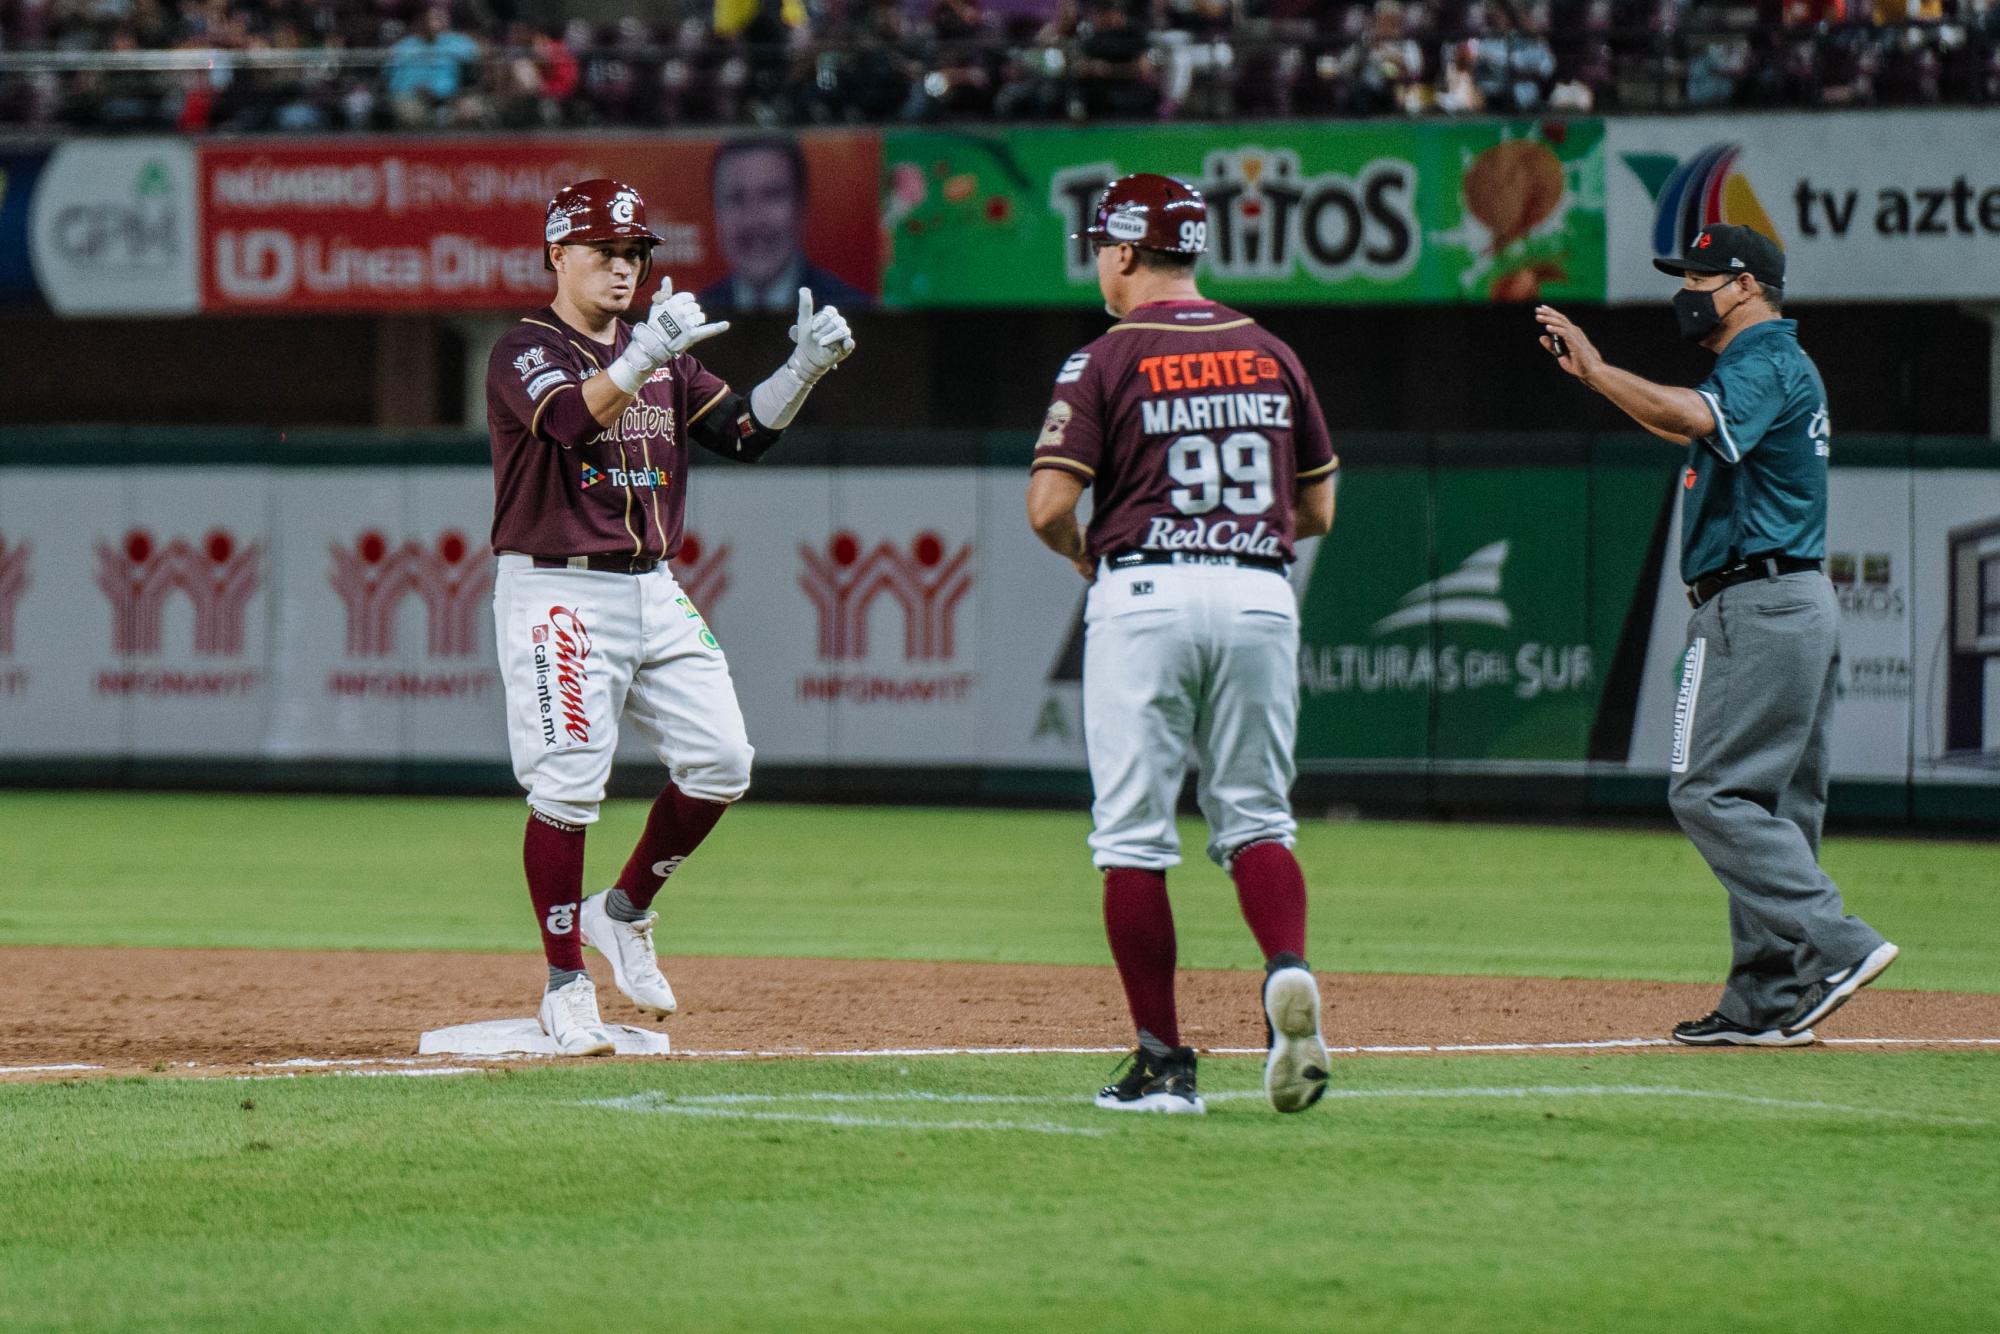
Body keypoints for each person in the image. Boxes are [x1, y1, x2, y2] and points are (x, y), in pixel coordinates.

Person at [485, 178, 855, 1054]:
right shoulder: (525, 348)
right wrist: (647, 353)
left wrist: (800, 369)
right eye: (604, 251)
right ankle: (565, 983)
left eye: (635, 253)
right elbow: (571, 420)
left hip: (651, 584)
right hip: (557, 585)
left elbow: (744, 434)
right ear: (557, 255)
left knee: (723, 762)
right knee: (569, 786)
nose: (623, 265)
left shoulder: (663, 351)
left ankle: (625, 910)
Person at [1535, 223, 1898, 1049]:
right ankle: (1768, 998)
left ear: (1744, 286)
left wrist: (1597, 368)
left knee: (1707, 793)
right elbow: (1687, 425)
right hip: (1794, 599)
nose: (1688, 289)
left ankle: (1840, 945)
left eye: (1701, 275)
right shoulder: (1770, 366)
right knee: (1773, 805)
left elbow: (1695, 413)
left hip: (1757, 604)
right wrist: (1603, 385)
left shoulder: (1763, 357)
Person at [1025, 173, 1339, 1115]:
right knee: (1255, 819)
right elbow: (1318, 506)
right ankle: (1286, 966)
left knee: (1132, 837)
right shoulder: (1271, 350)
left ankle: (1164, 1065)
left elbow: (1047, 506)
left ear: (1122, 253)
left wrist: (1085, 550)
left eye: (1101, 249)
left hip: (1146, 591)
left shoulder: (1104, 359)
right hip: (1257, 591)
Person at [695, 136, 874, 315]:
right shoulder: (697, 315)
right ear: (715, 211)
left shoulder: (851, 310)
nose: (753, 219)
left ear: (801, 205)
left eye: (772, 195)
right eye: (736, 198)